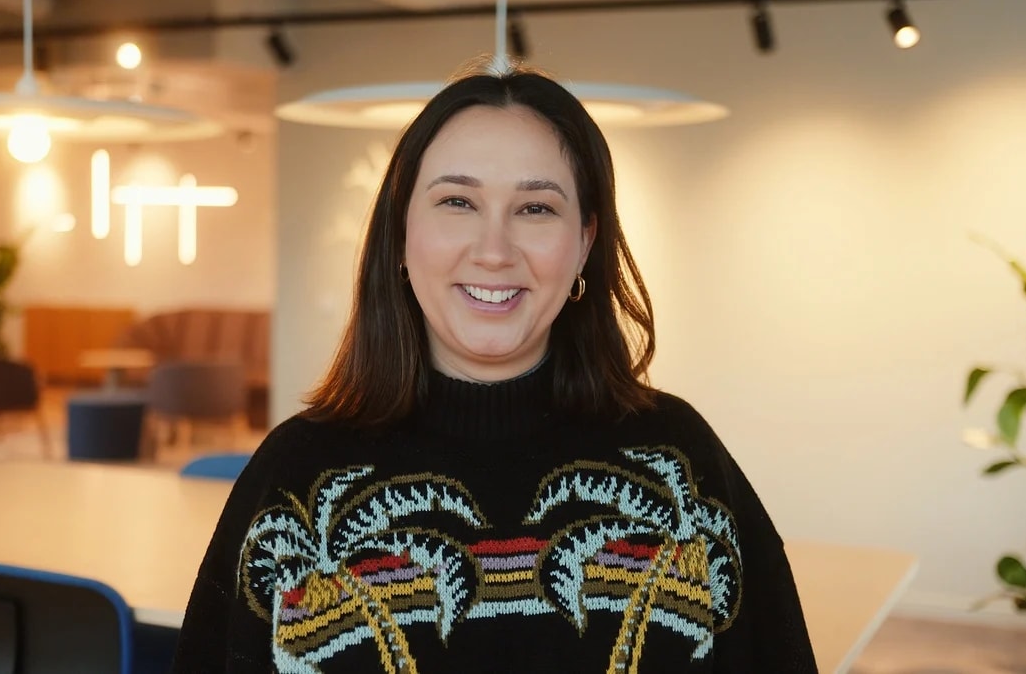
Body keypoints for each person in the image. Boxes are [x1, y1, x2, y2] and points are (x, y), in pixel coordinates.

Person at [171, 62, 817, 673]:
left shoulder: (682, 469)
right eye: (457, 202)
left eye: (536, 208)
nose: (494, 250)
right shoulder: (294, 482)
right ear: (401, 234)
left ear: (585, 243)